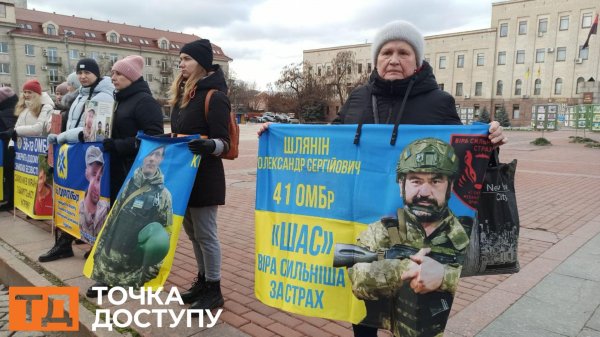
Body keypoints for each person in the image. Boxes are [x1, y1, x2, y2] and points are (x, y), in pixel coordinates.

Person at [257, 20, 507, 337]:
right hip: (364, 222)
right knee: (364, 317)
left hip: (422, 226)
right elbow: (328, 147)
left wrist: (491, 142)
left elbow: (464, 155)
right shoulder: (358, 98)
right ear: (376, 59)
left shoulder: (439, 102)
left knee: (415, 319)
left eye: (403, 52)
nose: (393, 59)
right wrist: (278, 138)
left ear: (417, 61)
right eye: (386, 51)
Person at [347, 138, 469, 337]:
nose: (425, 192)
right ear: (401, 184)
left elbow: (493, 277)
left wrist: (444, 277)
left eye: (436, 181)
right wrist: (406, 269)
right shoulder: (383, 231)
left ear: (451, 186)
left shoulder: (466, 233)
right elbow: (357, 279)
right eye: (416, 181)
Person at [169, 39, 231, 310]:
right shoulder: (182, 96)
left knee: (206, 234)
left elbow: (224, 143)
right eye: (180, 59)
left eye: (187, 59)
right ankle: (203, 280)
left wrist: (209, 145)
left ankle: (214, 289)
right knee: (193, 234)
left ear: (201, 64)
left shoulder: (214, 96)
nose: (181, 64)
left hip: (205, 177)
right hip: (183, 177)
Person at [39, 58, 114, 263]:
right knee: (69, 198)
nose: (83, 76)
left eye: (87, 72)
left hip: (90, 156)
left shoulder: (104, 96)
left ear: (96, 74)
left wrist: (62, 137)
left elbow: (91, 131)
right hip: (73, 154)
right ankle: (64, 243)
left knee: (92, 200)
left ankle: (96, 245)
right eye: (80, 73)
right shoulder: (79, 96)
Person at [89, 145, 172, 293]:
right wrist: (98, 256)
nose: (152, 159)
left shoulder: (164, 195)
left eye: (157, 155)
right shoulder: (129, 183)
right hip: (107, 263)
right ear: (143, 156)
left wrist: (143, 276)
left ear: (161, 160)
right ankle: (105, 280)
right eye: (150, 154)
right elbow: (112, 221)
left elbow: (164, 240)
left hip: (132, 272)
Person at [101, 54, 163, 203]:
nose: (113, 77)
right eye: (113, 73)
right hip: (116, 169)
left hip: (133, 171)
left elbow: (154, 138)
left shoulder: (145, 101)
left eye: (118, 74)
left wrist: (117, 145)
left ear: (131, 76)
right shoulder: (120, 100)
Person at [78, 146, 109, 243]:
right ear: (86, 173)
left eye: (99, 178)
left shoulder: (106, 208)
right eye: (93, 174)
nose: (96, 185)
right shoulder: (79, 207)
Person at [0, 87, 18, 211]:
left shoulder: (2, 114)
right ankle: (11, 199)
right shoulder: (18, 110)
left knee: (8, 175)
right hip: (14, 149)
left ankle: (9, 199)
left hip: (5, 150)